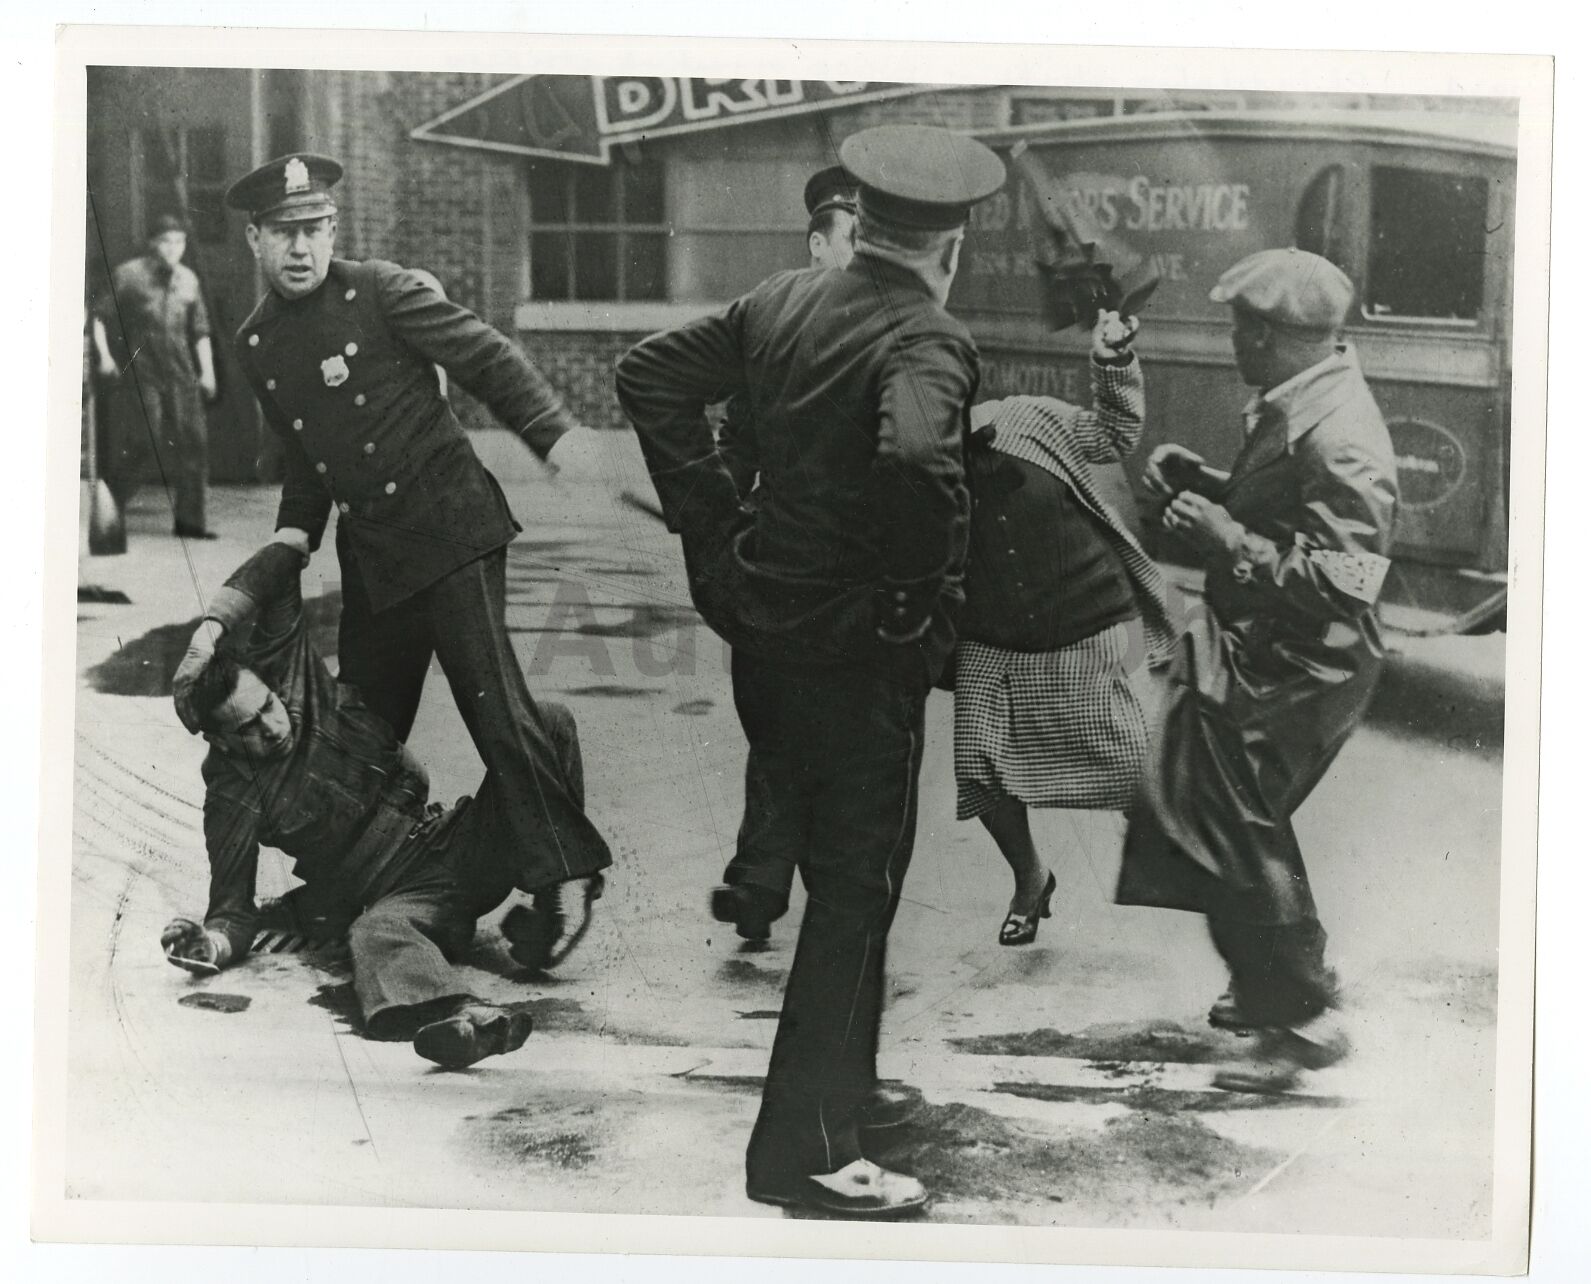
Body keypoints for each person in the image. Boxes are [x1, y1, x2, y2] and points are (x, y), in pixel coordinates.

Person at [617, 124, 1006, 1218]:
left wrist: (711, 523)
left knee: (847, 879)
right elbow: (923, 462)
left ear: (867, 223)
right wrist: (909, 603)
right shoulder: (928, 337)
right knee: (852, 893)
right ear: (951, 246)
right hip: (854, 657)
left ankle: (845, 1094)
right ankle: (809, 1153)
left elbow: (645, 373)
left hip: (768, 640)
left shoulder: (783, 300)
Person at [221, 154, 612, 970]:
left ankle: (563, 881)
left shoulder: (381, 290)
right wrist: (297, 533)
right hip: (376, 554)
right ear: (254, 238)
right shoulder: (257, 342)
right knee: (366, 725)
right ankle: (347, 881)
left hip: (451, 525)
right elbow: (304, 453)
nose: (302, 249)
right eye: (284, 233)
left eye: (315, 230)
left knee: (491, 706)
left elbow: (486, 356)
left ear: (334, 231)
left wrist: (553, 432)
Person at [1118, 248, 1399, 1094]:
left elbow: (1347, 581)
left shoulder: (1344, 435)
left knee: (1220, 812)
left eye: (1244, 327)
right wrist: (1207, 484)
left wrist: (1226, 540)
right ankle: (1282, 982)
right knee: (1235, 813)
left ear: (1278, 336)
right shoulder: (1306, 398)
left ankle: (1300, 1021)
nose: (1232, 340)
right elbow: (1288, 506)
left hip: (1304, 662)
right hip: (1274, 647)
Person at [163, 535, 591, 1068]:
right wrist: (213, 947)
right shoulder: (231, 794)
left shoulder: (299, 687)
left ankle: (554, 900)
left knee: (547, 725)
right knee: (374, 933)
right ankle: (467, 1020)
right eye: (246, 729)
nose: (270, 727)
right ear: (221, 741)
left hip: (452, 839)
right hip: (399, 894)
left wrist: (210, 631)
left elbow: (282, 560)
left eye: (267, 707)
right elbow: (231, 910)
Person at [954, 309, 1177, 945]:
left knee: (1139, 770)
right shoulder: (911, 460)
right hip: (992, 635)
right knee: (978, 763)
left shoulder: (1029, 418)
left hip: (1086, 619)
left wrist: (1111, 362)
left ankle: (1195, 881)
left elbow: (1112, 435)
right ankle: (1030, 877)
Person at [715, 163, 859, 502]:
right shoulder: (774, 324)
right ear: (817, 244)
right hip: (790, 525)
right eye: (853, 240)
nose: (864, 254)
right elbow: (739, 443)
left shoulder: (887, 324)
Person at [90, 213, 219, 538]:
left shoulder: (189, 279)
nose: (173, 248)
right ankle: (109, 503)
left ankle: (190, 522)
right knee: (144, 442)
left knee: (194, 444)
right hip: (144, 373)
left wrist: (208, 371)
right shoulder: (129, 275)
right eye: (166, 241)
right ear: (152, 244)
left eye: (179, 242)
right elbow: (100, 317)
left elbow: (200, 330)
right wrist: (104, 356)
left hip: (182, 374)